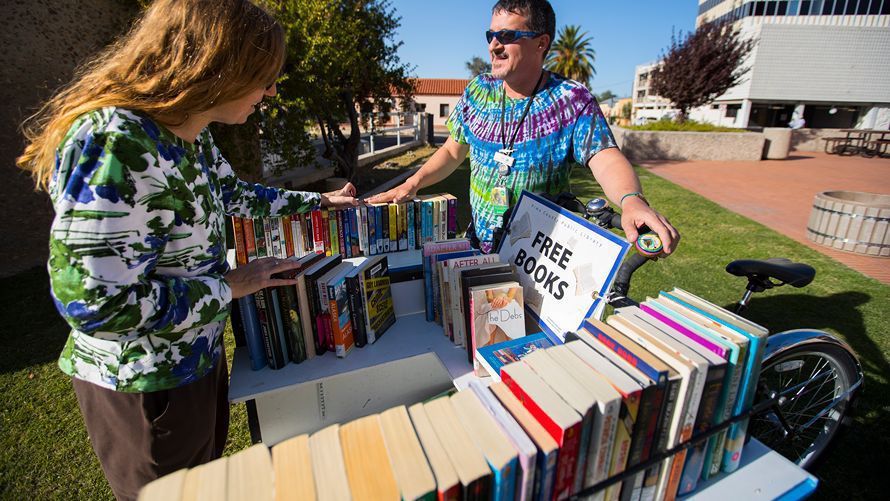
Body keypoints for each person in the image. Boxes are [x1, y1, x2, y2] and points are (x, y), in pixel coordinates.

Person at [16, 1, 357, 499]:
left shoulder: (189, 137)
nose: (271, 92)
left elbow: (236, 195)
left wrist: (322, 200)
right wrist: (227, 288)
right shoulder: (118, 142)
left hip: (194, 364)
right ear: (218, 65)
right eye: (263, 77)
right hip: (146, 386)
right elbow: (94, 303)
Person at [368, 0, 679, 255]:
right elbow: (452, 149)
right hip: (477, 248)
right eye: (490, 35)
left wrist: (631, 200)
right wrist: (415, 181)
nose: (494, 46)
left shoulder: (570, 99)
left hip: (540, 256)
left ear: (541, 43)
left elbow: (605, 157)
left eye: (507, 36)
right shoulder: (478, 91)